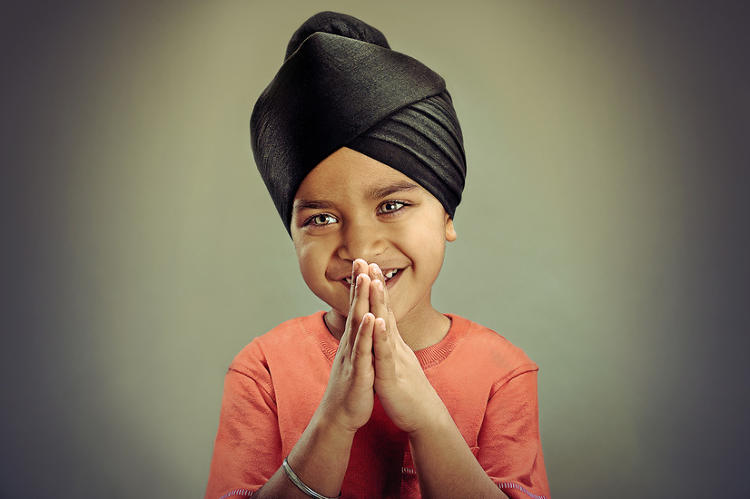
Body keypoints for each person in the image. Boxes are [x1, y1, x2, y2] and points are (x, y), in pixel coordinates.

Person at [205, 11, 550, 499]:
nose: (361, 248)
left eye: (392, 205)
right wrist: (334, 422)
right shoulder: (263, 369)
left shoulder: (501, 373)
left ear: (447, 214)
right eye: (321, 219)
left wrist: (427, 419)